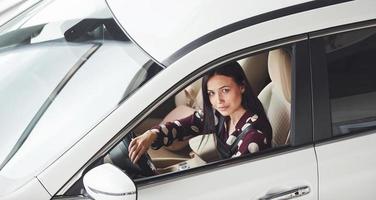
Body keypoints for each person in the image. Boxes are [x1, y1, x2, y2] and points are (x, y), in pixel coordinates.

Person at [129, 61, 272, 163]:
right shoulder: (221, 116)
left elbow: (236, 181)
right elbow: (182, 126)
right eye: (211, 93)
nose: (218, 101)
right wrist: (151, 134)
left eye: (225, 90)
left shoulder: (254, 137)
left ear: (242, 87)